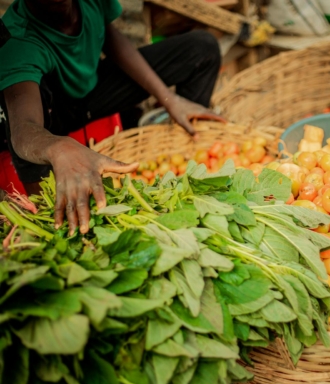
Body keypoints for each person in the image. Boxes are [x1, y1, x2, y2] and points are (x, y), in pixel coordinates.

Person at [0, 0, 225, 235]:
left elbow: (108, 35)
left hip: (91, 92)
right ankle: (47, 218)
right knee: (21, 125)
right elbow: (23, 128)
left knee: (202, 49)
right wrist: (59, 147)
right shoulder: (17, 40)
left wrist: (169, 98)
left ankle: (189, 151)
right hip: (49, 117)